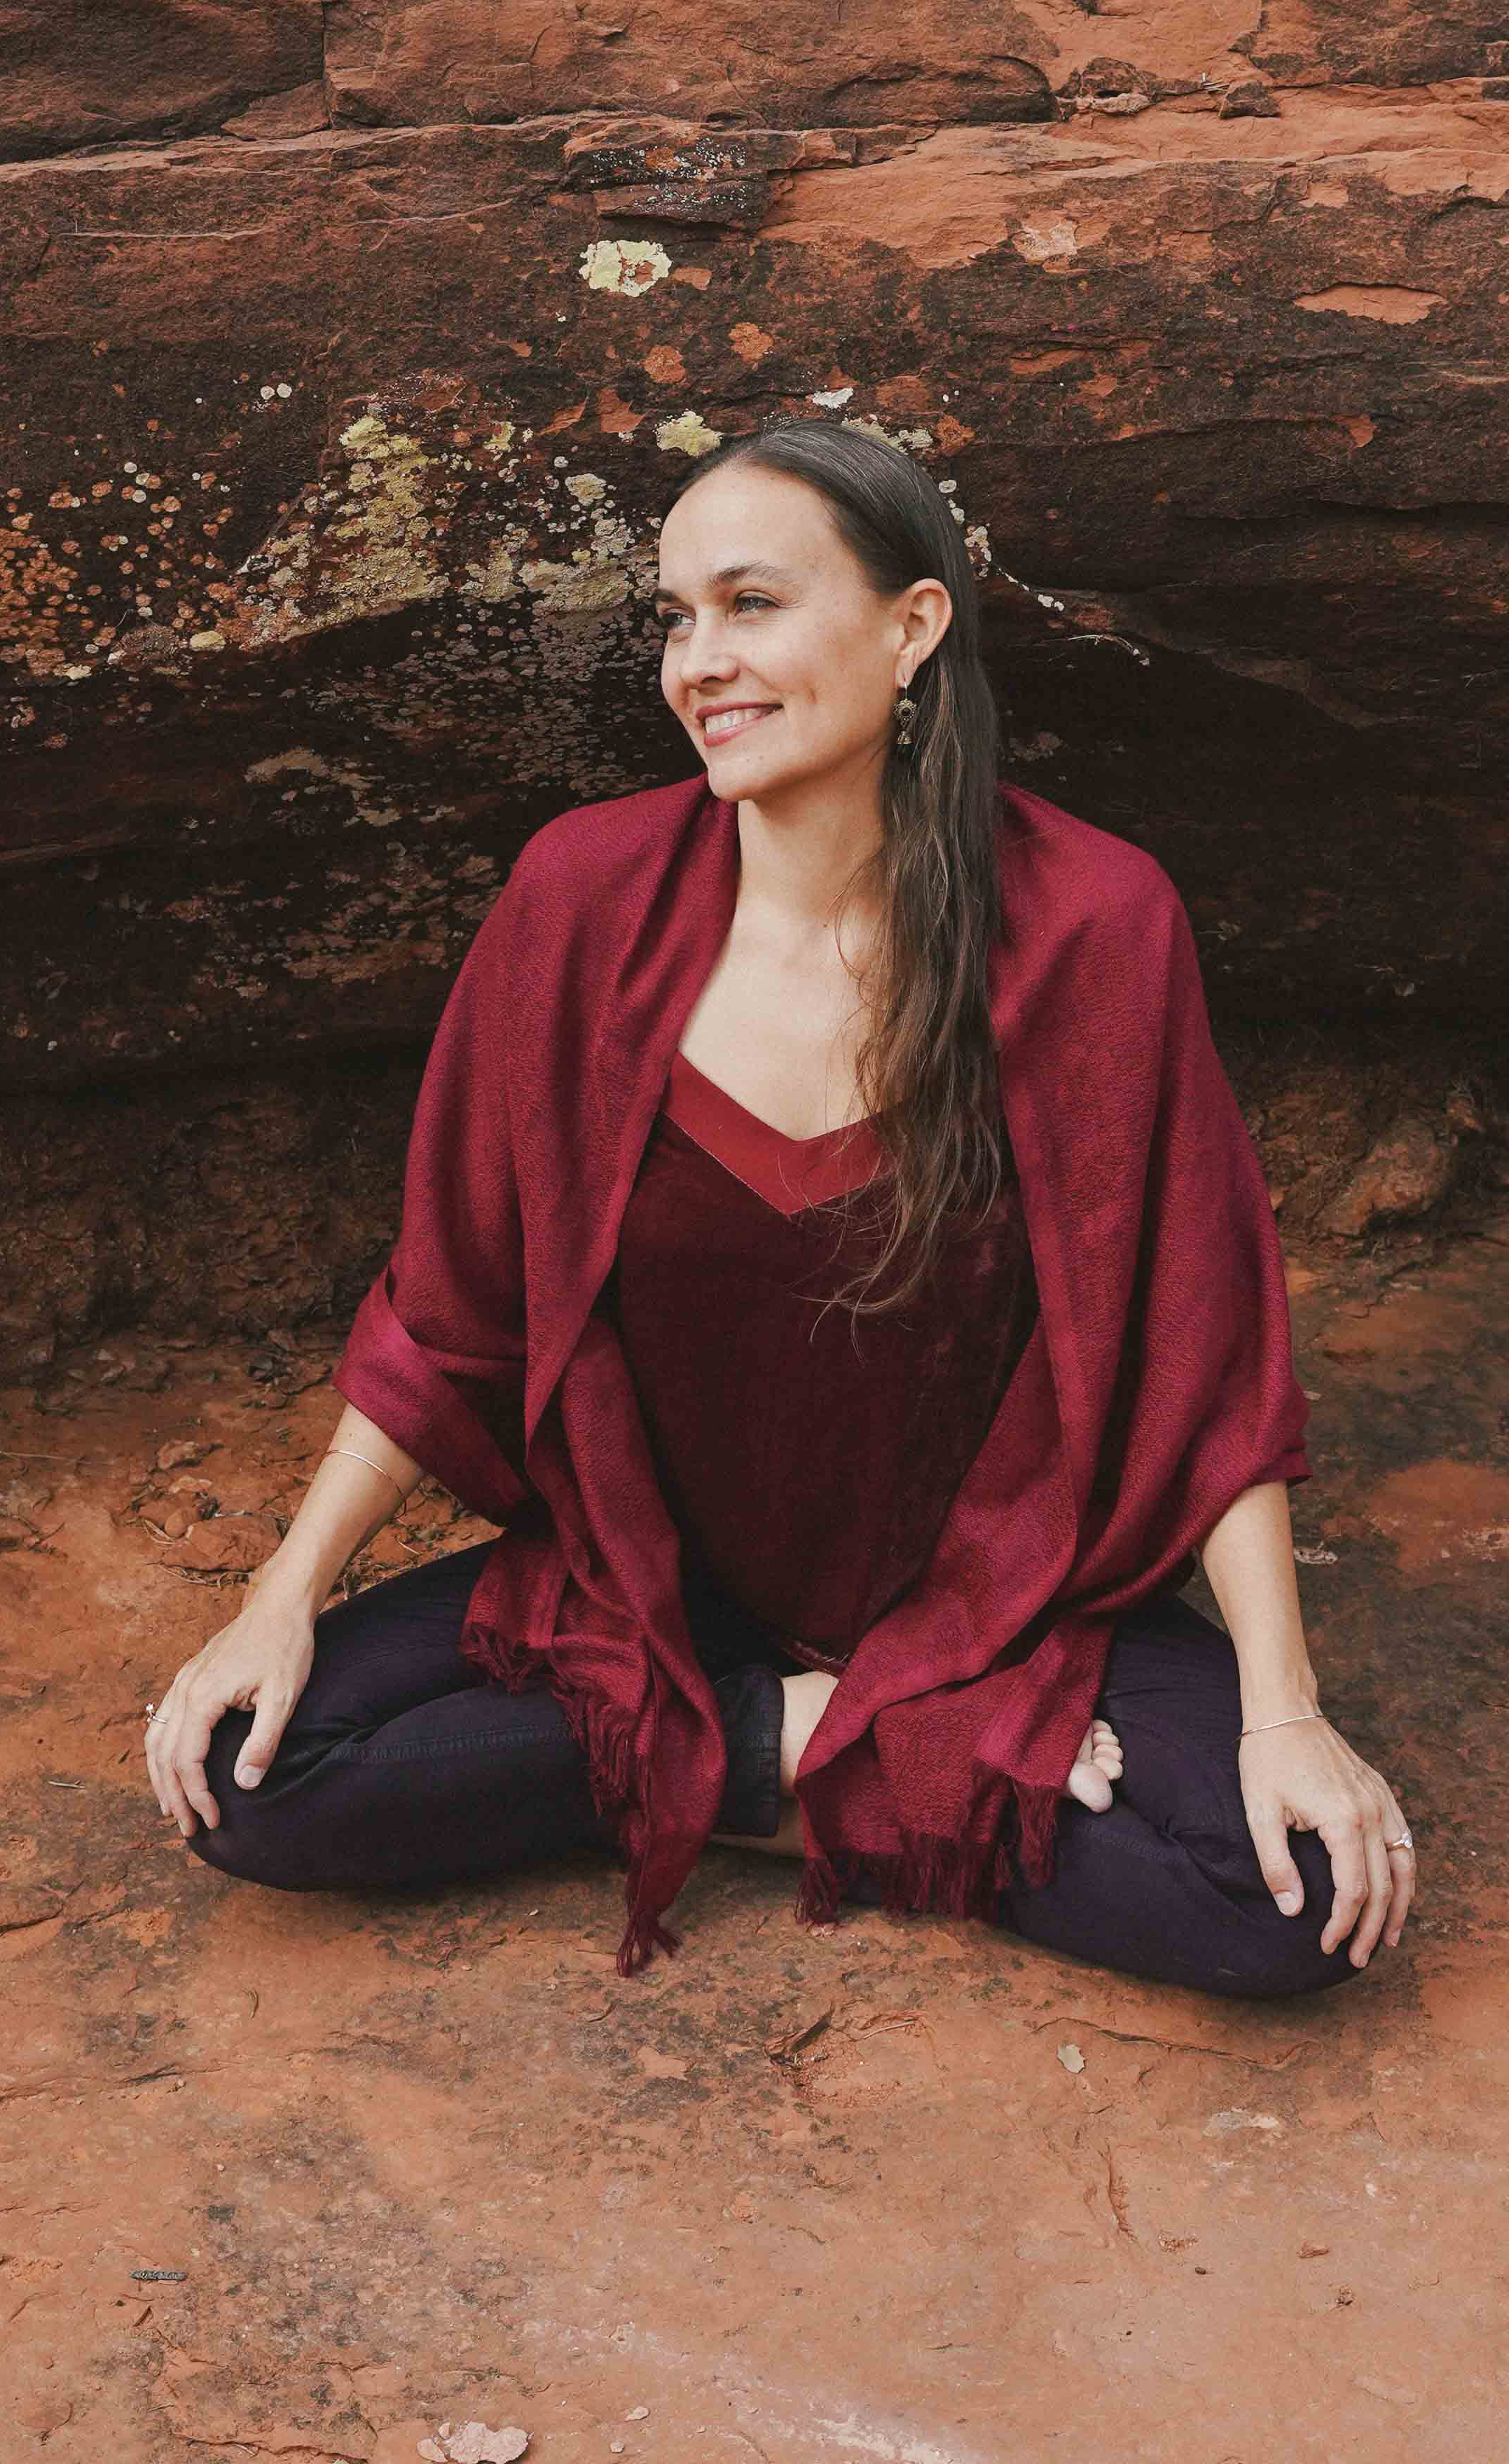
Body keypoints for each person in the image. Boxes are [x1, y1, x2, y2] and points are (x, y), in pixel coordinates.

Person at [142, 420, 1414, 1993]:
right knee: (256, 1772)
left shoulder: (1097, 926)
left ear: (913, 627)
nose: (699, 662)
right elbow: (448, 1307)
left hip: (996, 1603)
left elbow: (1201, 1359)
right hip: (649, 1586)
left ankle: (707, 1772)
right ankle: (841, 1758)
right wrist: (278, 1599)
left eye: (750, 604)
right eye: (677, 617)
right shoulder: (579, 900)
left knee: (1288, 1901)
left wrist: (1284, 1711)